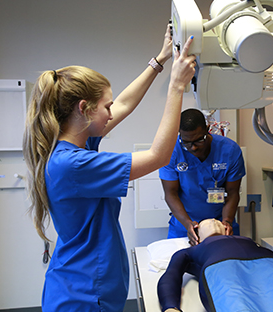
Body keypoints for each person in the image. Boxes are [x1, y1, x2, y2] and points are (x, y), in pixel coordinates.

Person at [22, 24, 197, 312]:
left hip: (80, 285)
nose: (111, 113)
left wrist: (160, 61)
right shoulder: (73, 164)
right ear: (84, 109)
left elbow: (125, 104)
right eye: (106, 107)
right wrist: (177, 86)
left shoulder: (73, 146)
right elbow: (158, 156)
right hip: (85, 296)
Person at [159, 108, 246, 245]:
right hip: (184, 225)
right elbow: (171, 194)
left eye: (199, 140)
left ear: (207, 129)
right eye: (186, 142)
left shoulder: (229, 150)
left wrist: (227, 222)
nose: (193, 148)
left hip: (220, 225)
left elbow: (233, 192)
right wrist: (188, 224)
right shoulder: (170, 151)